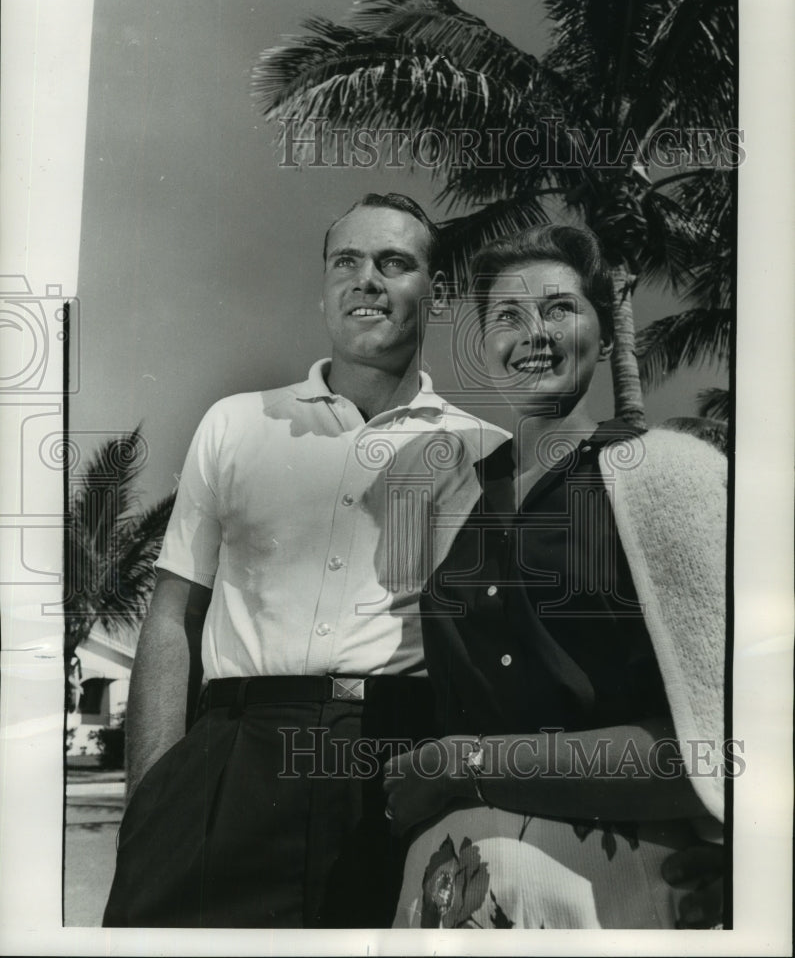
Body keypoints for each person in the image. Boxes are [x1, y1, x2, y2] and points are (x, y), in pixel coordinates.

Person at [101, 193, 509, 928]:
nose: (366, 280)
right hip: (232, 756)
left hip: (398, 764)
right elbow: (172, 617)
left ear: (437, 292)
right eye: (346, 262)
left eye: (394, 262)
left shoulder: (487, 454)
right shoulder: (235, 424)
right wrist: (151, 801)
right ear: (324, 288)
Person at [385, 224, 727, 929]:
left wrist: (462, 763)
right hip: (450, 884)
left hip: (614, 882)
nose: (533, 333)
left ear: (602, 336)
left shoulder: (671, 475)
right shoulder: (453, 496)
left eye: (559, 308)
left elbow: (722, 740)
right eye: (507, 317)